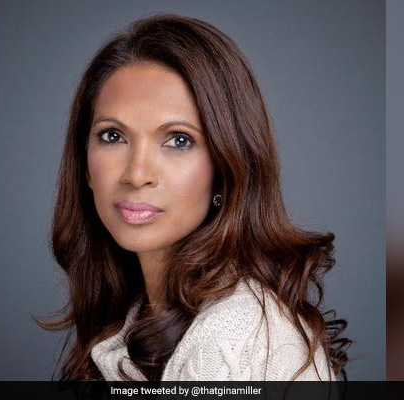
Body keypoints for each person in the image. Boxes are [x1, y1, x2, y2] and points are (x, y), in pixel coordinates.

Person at [40, 14, 350, 381]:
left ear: (226, 170)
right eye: (113, 136)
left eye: (178, 140)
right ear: (85, 166)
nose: (137, 174)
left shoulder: (230, 343)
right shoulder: (140, 315)